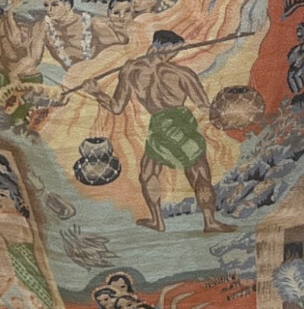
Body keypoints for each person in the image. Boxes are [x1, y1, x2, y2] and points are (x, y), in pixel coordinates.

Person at [89, 31, 233, 234]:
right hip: (182, 123)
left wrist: (96, 92)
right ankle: (209, 222)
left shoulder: (131, 70)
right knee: (199, 172)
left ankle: (158, 221)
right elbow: (205, 108)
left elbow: (116, 106)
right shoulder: (182, 73)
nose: (175, 55)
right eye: (174, 50)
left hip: (159, 125)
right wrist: (226, 114)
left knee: (149, 172)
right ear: (161, 47)